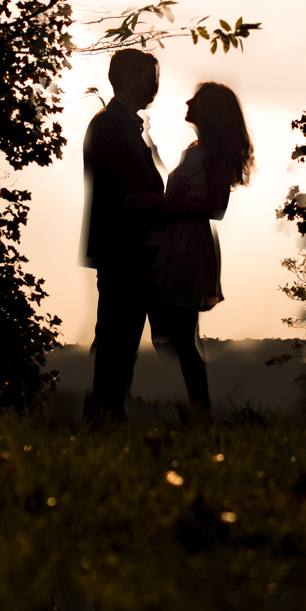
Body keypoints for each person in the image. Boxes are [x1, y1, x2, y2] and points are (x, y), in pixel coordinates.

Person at [133, 81, 255, 421]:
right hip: (175, 243)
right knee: (167, 338)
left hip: (187, 249)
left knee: (179, 340)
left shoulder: (215, 155)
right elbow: (173, 184)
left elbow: (215, 207)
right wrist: (146, 142)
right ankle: (193, 414)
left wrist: (162, 205)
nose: (187, 101)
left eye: (197, 100)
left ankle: (198, 417)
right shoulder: (198, 149)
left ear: (210, 111)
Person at [81, 48, 164, 423]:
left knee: (119, 337)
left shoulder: (120, 124)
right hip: (125, 248)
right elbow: (124, 188)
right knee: (117, 336)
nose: (155, 85)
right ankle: (103, 412)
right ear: (128, 77)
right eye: (150, 76)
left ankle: (105, 411)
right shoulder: (112, 125)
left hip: (127, 247)